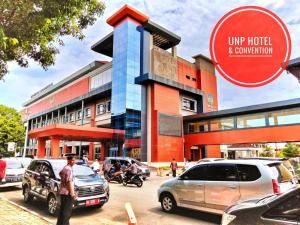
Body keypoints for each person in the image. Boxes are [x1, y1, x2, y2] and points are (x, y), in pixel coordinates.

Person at [56, 155, 76, 225]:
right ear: (68, 160)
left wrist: (63, 182)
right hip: (67, 193)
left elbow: (60, 174)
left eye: (74, 160)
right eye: (72, 160)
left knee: (62, 211)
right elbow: (69, 181)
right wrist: (72, 193)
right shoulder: (69, 169)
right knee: (67, 213)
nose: (73, 162)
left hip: (62, 192)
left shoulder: (65, 168)